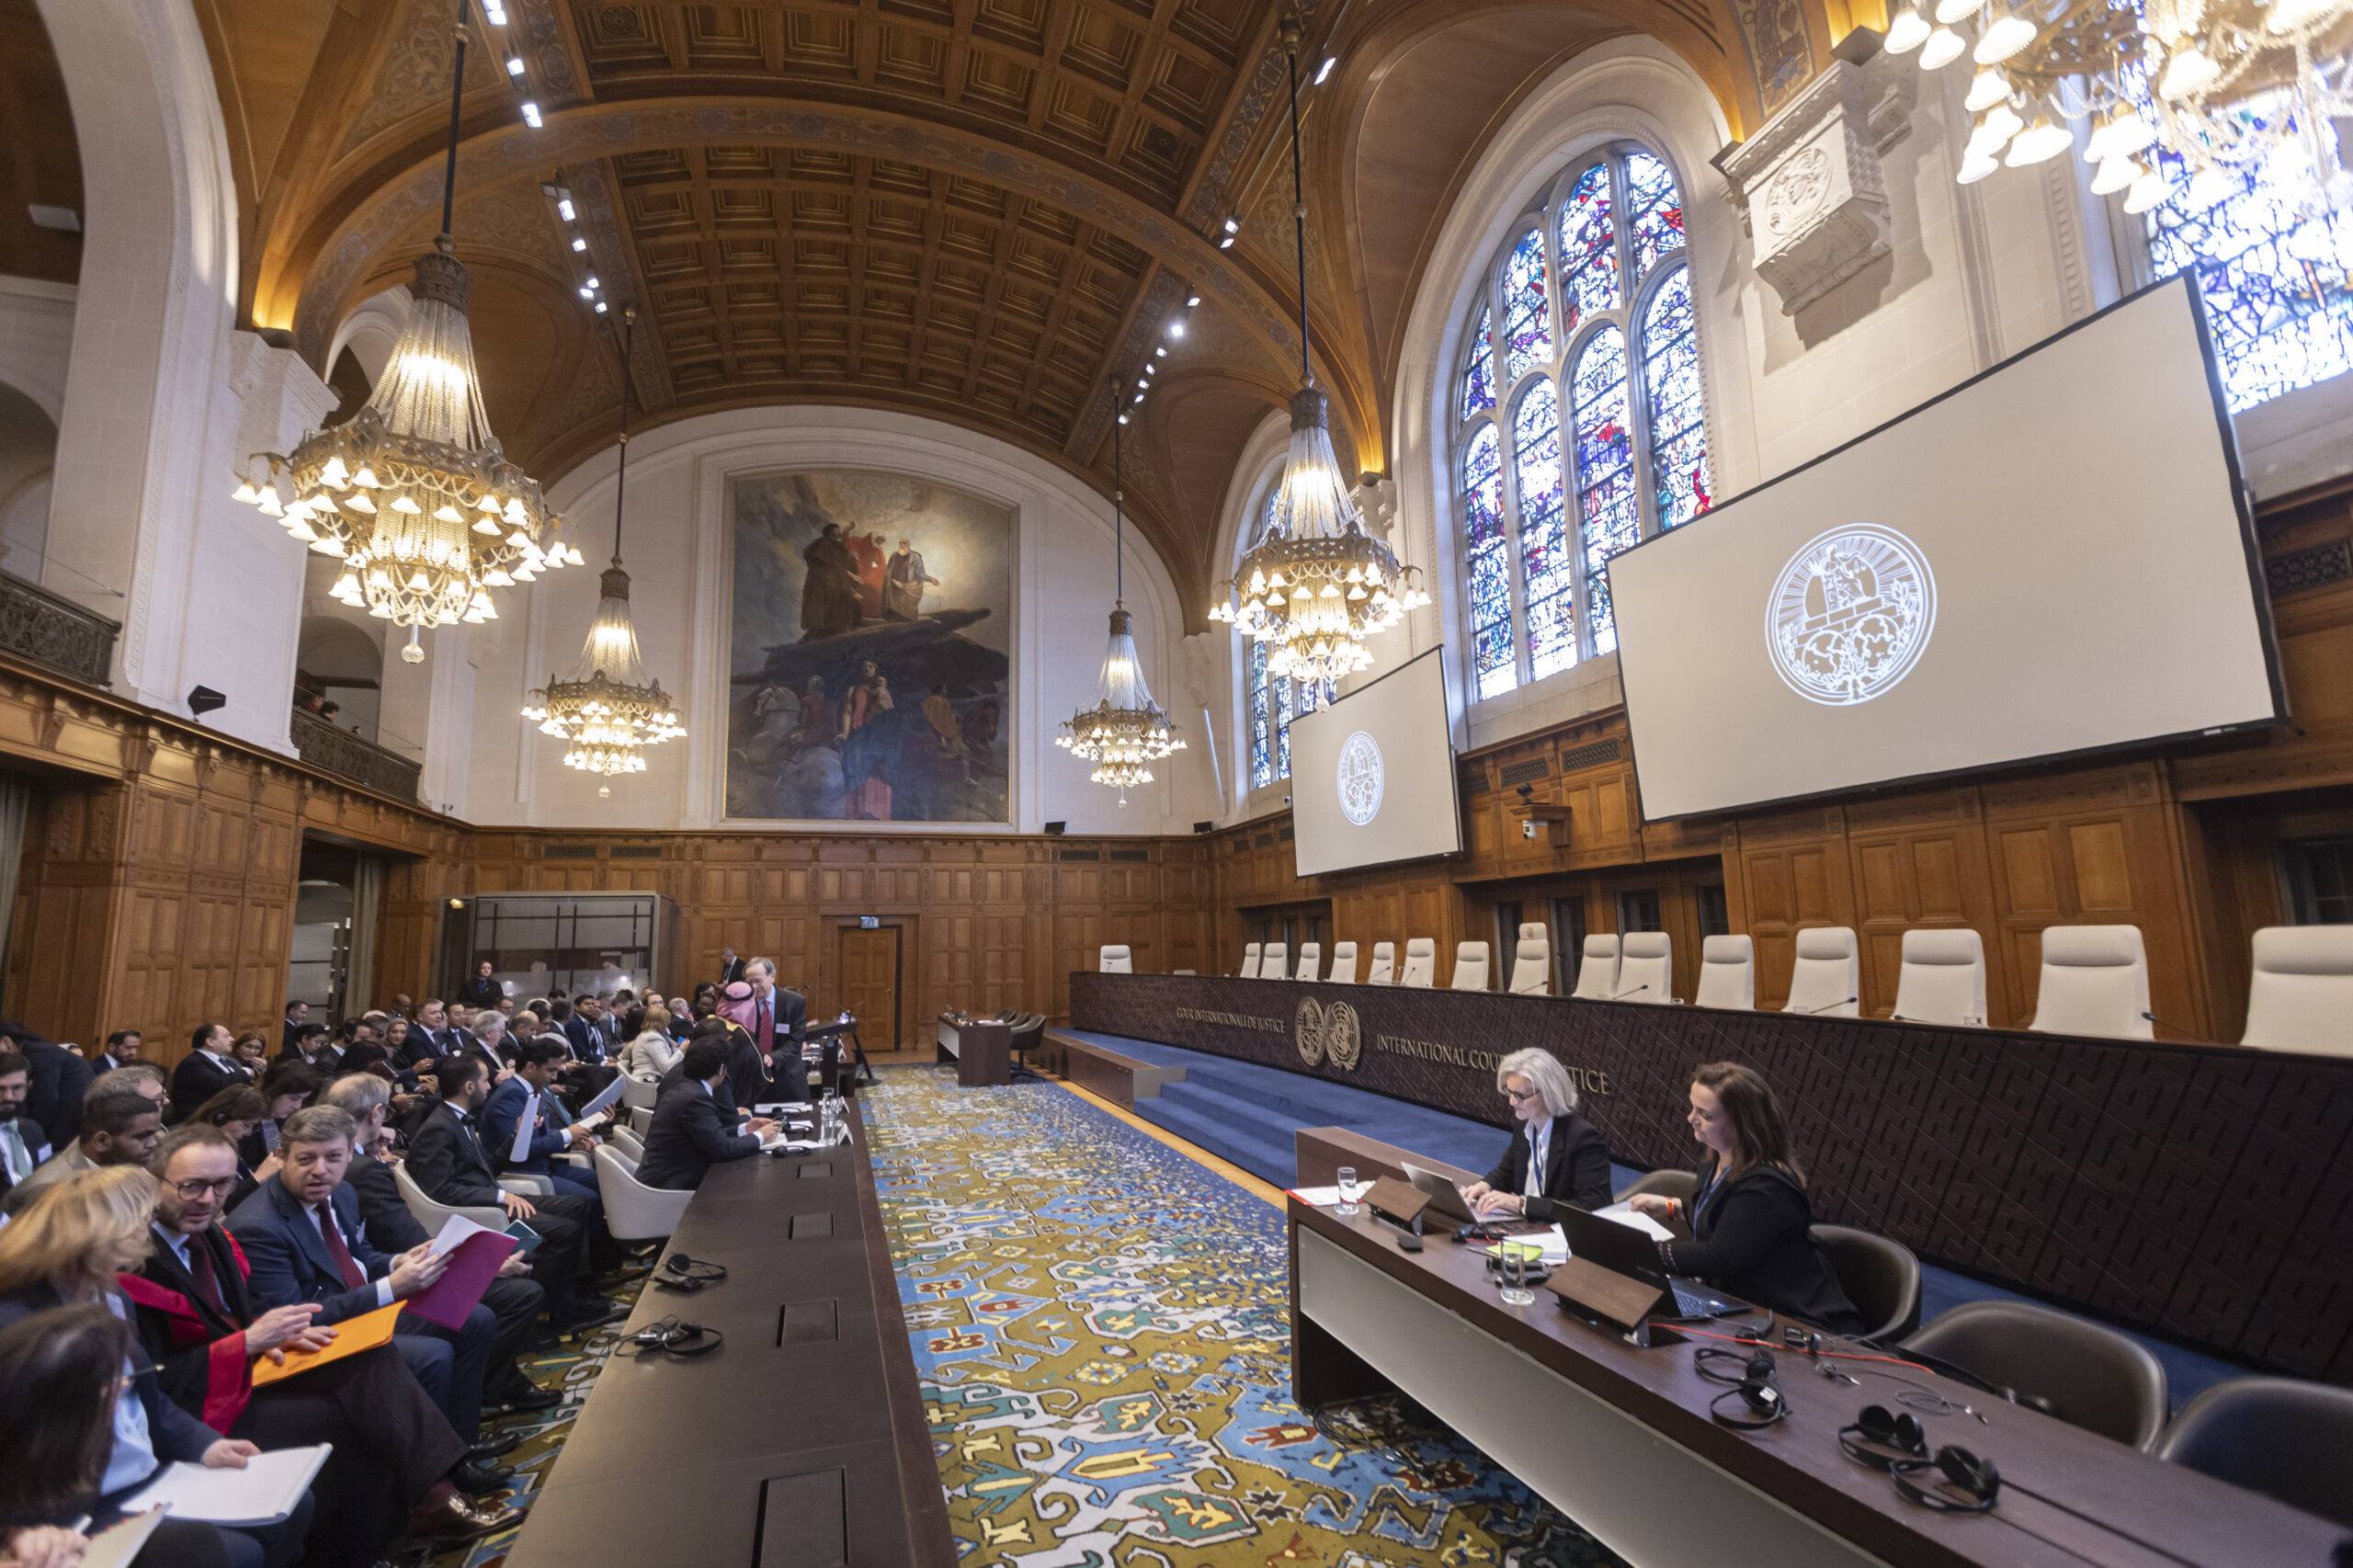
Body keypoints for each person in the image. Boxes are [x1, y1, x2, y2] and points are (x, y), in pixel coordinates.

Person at [128, 1125, 523, 1555]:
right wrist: (248, 1341)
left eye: (222, 1185)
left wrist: (279, 1330)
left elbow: (251, 1316)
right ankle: (418, 1512)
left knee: (366, 1359)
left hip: (249, 1366)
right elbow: (151, 1382)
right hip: (198, 1405)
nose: (208, 1200)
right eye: (191, 1186)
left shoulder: (211, 1235)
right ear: (153, 1181)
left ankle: (425, 1506)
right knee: (350, 1406)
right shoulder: (137, 1263)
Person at [0, 1174, 314, 1568]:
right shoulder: (15, 1321)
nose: (146, 1232)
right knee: (223, 1551)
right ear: (102, 1236)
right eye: (138, 1222)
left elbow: (149, 1399)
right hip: (78, 1503)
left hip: (148, 1472)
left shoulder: (112, 1294)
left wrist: (203, 1443)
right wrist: (17, 1529)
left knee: (294, 1501)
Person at [225, 1107, 504, 1445]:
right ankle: (437, 1471)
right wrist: (392, 1287)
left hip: (360, 1308)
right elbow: (295, 1321)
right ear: (281, 1157)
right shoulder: (257, 1226)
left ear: (348, 1155)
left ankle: (463, 1441)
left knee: (475, 1318)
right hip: (318, 1333)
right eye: (306, 1159)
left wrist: (397, 1262)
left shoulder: (342, 1192)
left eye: (333, 1157)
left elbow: (358, 1257)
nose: (320, 1171)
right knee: (433, 1356)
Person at [322, 1074, 561, 1416]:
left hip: (395, 1264)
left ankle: (494, 1384)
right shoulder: (360, 1170)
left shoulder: (363, 1163)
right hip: (392, 1281)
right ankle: (493, 1387)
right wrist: (481, 1265)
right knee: (520, 1294)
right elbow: (404, 1238)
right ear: (377, 1113)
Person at [1624, 1062, 1865, 1335]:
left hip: (1797, 1320)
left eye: (1706, 1114)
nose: (1691, 1118)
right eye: (1692, 1107)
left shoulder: (1766, 1188)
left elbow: (1721, 1256)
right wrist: (1670, 1206)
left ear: (1742, 1124)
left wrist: (1642, 1253)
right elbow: (1717, 1215)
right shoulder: (1716, 1161)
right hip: (1744, 1307)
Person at [404, 1058, 624, 1335]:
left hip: (488, 1197)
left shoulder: (459, 1119)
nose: (489, 1086)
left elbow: (488, 1167)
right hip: (475, 1209)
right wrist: (500, 1196)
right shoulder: (439, 1127)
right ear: (469, 1086)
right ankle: (551, 1309)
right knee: (564, 1230)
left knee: (577, 1206)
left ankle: (570, 1296)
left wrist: (517, 1136)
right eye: (485, 1081)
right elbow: (441, 1190)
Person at [1460, 1049, 1614, 1222]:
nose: (1512, 1102)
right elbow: (1506, 1172)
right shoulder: (1524, 1123)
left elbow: (1591, 1206)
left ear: (1548, 1092)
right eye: (1509, 1092)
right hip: (1527, 1225)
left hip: (1563, 1234)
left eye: (1520, 1095)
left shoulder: (1582, 1137)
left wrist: (1521, 1204)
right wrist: (1485, 1185)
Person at [484, 1040, 607, 1221]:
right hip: (525, 1171)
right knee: (590, 1198)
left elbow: (541, 1136)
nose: (556, 1077)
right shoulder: (511, 1094)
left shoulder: (533, 1089)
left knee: (605, 1182)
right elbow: (518, 1150)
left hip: (544, 1164)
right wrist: (566, 1135)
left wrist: (571, 1139)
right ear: (531, 1067)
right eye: (551, 1070)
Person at [638, 1038, 774, 1191]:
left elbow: (711, 1135)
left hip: (667, 1175)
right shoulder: (695, 1098)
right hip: (669, 1187)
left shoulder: (686, 1087)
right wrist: (761, 1136)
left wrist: (744, 1129)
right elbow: (722, 1149)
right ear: (722, 1069)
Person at [8, 1082, 165, 1205]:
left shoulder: (127, 1165)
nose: (153, 1144)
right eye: (142, 1137)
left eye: (154, 1133)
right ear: (101, 1141)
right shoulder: (49, 1190)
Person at [0, 1023, 94, 1152]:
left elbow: (45, 1100)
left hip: (68, 1128)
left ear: (6, 1042)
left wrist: (26, 1133)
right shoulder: (39, 1050)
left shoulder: (38, 1053)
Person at [187, 1086, 277, 1210]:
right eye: (246, 1125)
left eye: (253, 1127)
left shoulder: (225, 1144)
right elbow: (222, 1204)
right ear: (220, 1117)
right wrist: (259, 1177)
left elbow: (240, 1178)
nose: (249, 1133)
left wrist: (269, 1167)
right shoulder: (197, 1149)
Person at [743, 958, 809, 1102]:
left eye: (757, 981)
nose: (753, 986)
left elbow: (795, 1041)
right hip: (754, 1082)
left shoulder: (794, 1002)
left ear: (772, 976)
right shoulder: (743, 1004)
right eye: (749, 982)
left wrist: (773, 1058)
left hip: (788, 1078)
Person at [172, 1023, 253, 1117]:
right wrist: (246, 1072)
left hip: (226, 1113)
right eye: (227, 1036)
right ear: (210, 1042)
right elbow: (219, 1084)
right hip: (201, 1119)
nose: (232, 1039)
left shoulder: (224, 1060)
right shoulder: (193, 1063)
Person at [800, 521, 862, 638]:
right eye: (837, 530)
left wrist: (847, 530)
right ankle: (822, 630)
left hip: (833, 578)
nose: (839, 532)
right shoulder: (823, 543)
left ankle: (835, 627)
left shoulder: (834, 544)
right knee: (825, 604)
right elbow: (831, 562)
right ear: (830, 532)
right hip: (822, 580)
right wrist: (851, 575)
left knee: (838, 601)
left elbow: (842, 553)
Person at [0, 1049, 46, 1208]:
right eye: (1, 1089)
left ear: (28, 1087)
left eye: (17, 1088)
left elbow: (44, 1175)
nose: (8, 1097)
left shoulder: (33, 1130)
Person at [883, 536, 938, 620]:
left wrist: (931, 579)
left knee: (910, 612)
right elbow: (888, 572)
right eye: (900, 543)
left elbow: (920, 573)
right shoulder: (894, 556)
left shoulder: (916, 557)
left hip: (910, 587)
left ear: (909, 545)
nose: (902, 544)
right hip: (895, 588)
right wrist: (894, 581)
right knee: (896, 611)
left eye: (904, 543)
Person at [624, 1005, 683, 1079]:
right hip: (651, 1080)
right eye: (667, 1021)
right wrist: (681, 1050)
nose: (668, 1023)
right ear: (662, 1022)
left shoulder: (646, 1034)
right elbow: (667, 1068)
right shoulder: (652, 1038)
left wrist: (676, 1050)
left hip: (651, 1078)